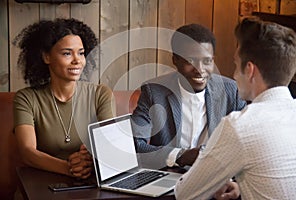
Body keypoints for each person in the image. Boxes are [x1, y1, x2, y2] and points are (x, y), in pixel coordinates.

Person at [174, 17, 296, 199]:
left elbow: (185, 194)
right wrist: (243, 186)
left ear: (249, 70)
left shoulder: (239, 126)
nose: (233, 74)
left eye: (235, 64)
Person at [131, 24, 246, 199]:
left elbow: (245, 144)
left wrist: (237, 183)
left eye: (207, 61)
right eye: (190, 61)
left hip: (217, 184)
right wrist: (181, 156)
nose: (200, 69)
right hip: (169, 185)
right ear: (175, 60)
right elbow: (136, 146)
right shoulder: (154, 91)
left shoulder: (231, 90)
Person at [13, 18, 115, 179]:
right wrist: (69, 168)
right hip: (41, 185)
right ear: (47, 57)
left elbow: (110, 144)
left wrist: (89, 156)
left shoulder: (101, 94)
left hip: (89, 183)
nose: (77, 60)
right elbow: (27, 152)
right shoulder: (26, 98)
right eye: (67, 53)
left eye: (81, 53)